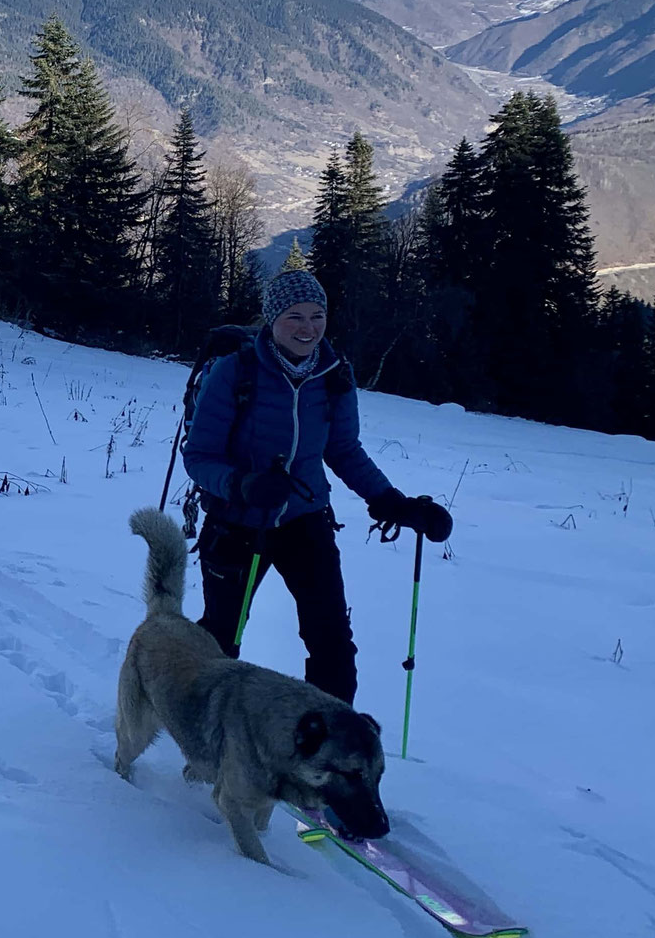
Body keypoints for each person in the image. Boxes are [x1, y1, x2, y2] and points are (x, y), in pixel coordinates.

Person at [179, 268, 451, 702]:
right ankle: (201, 731)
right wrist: (241, 485)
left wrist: (393, 502)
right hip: (237, 523)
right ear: (272, 319)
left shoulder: (335, 375)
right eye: (295, 316)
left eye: (317, 315)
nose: (308, 328)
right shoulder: (235, 373)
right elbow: (198, 456)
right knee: (220, 637)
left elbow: (343, 450)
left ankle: (333, 751)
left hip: (306, 522)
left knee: (332, 642)